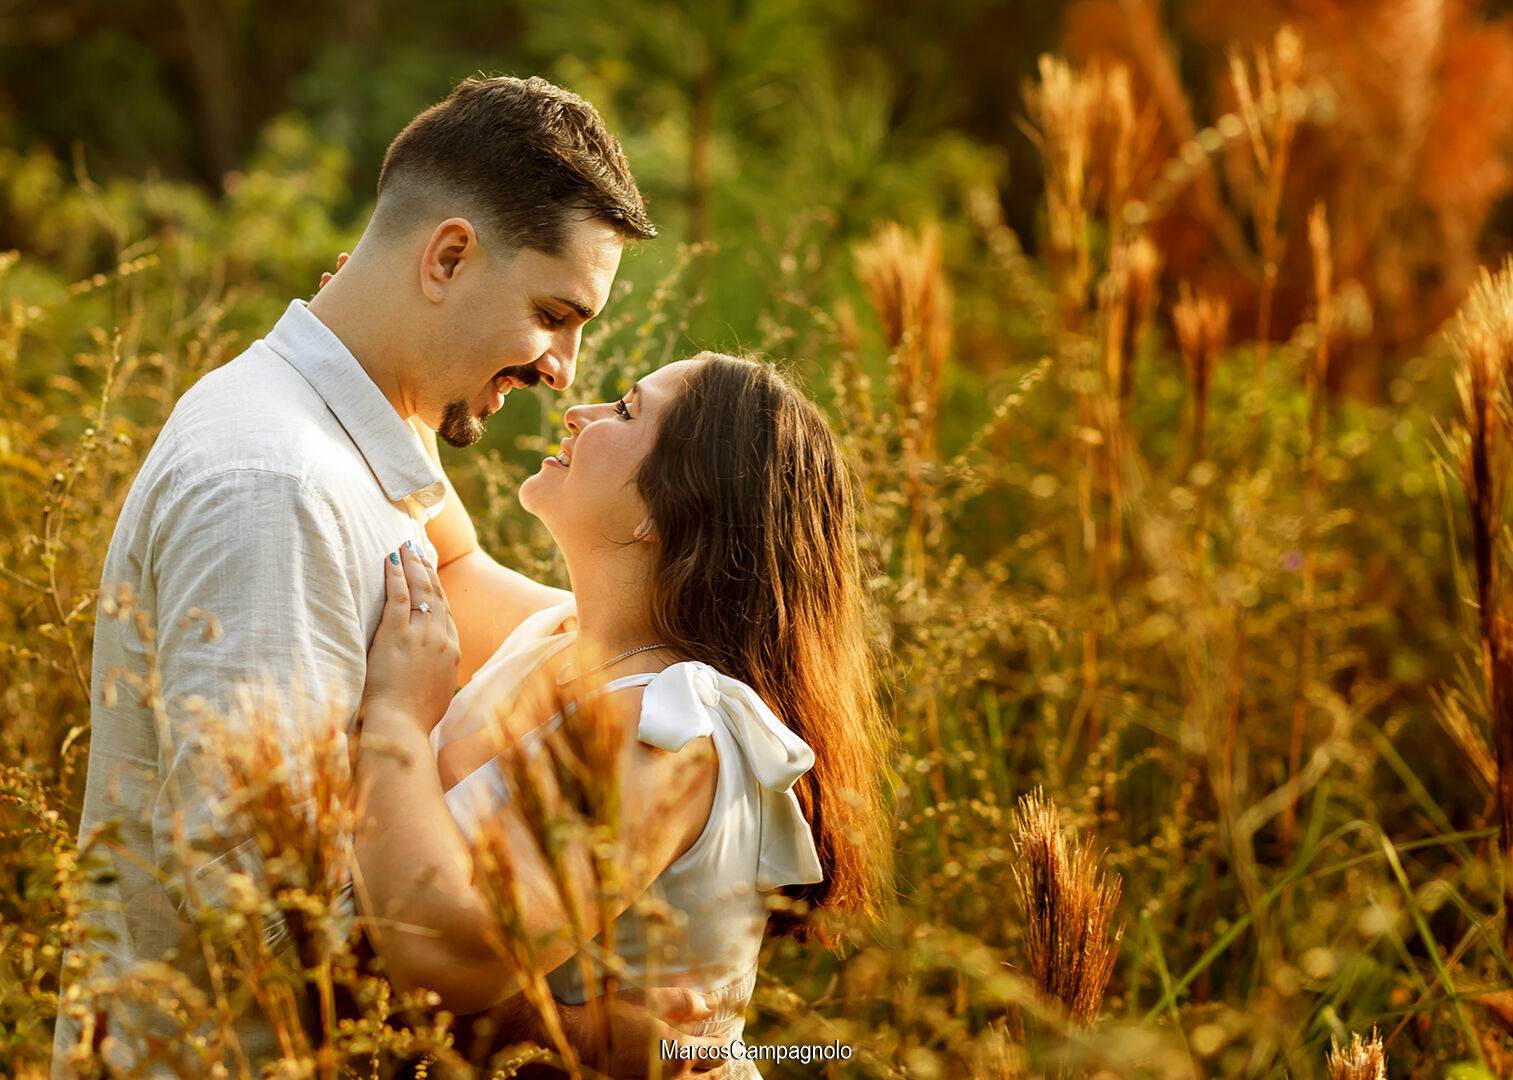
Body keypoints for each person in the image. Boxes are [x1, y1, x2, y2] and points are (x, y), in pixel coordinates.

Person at [54, 75, 721, 1078]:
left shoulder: (359, 449)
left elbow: (525, 614)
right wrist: (581, 1035)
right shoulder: (276, 487)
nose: (566, 373)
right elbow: (267, 924)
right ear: (447, 255)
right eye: (553, 313)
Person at [351, 354, 894, 1077]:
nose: (580, 411)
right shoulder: (564, 636)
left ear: (665, 509)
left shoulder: (668, 728)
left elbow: (455, 957)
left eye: (627, 411)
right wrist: (380, 347)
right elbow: (450, 558)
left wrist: (394, 721)